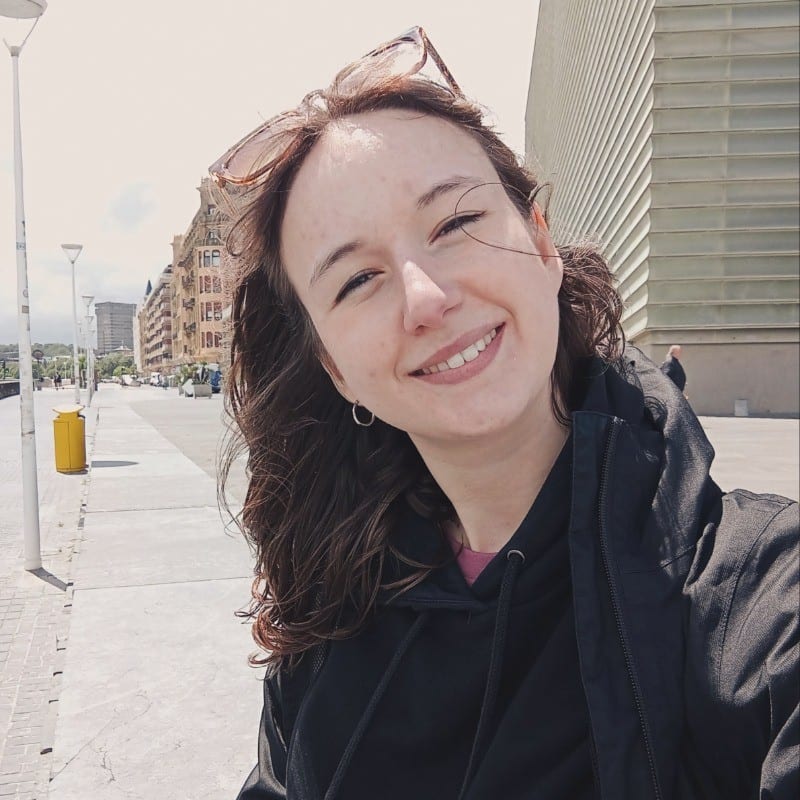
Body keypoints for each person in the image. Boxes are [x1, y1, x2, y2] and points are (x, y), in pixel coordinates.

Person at [211, 27, 799, 800]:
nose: (426, 298)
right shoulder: (329, 622)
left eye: (455, 224)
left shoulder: (764, 599)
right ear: (334, 369)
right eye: (358, 281)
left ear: (542, 243)